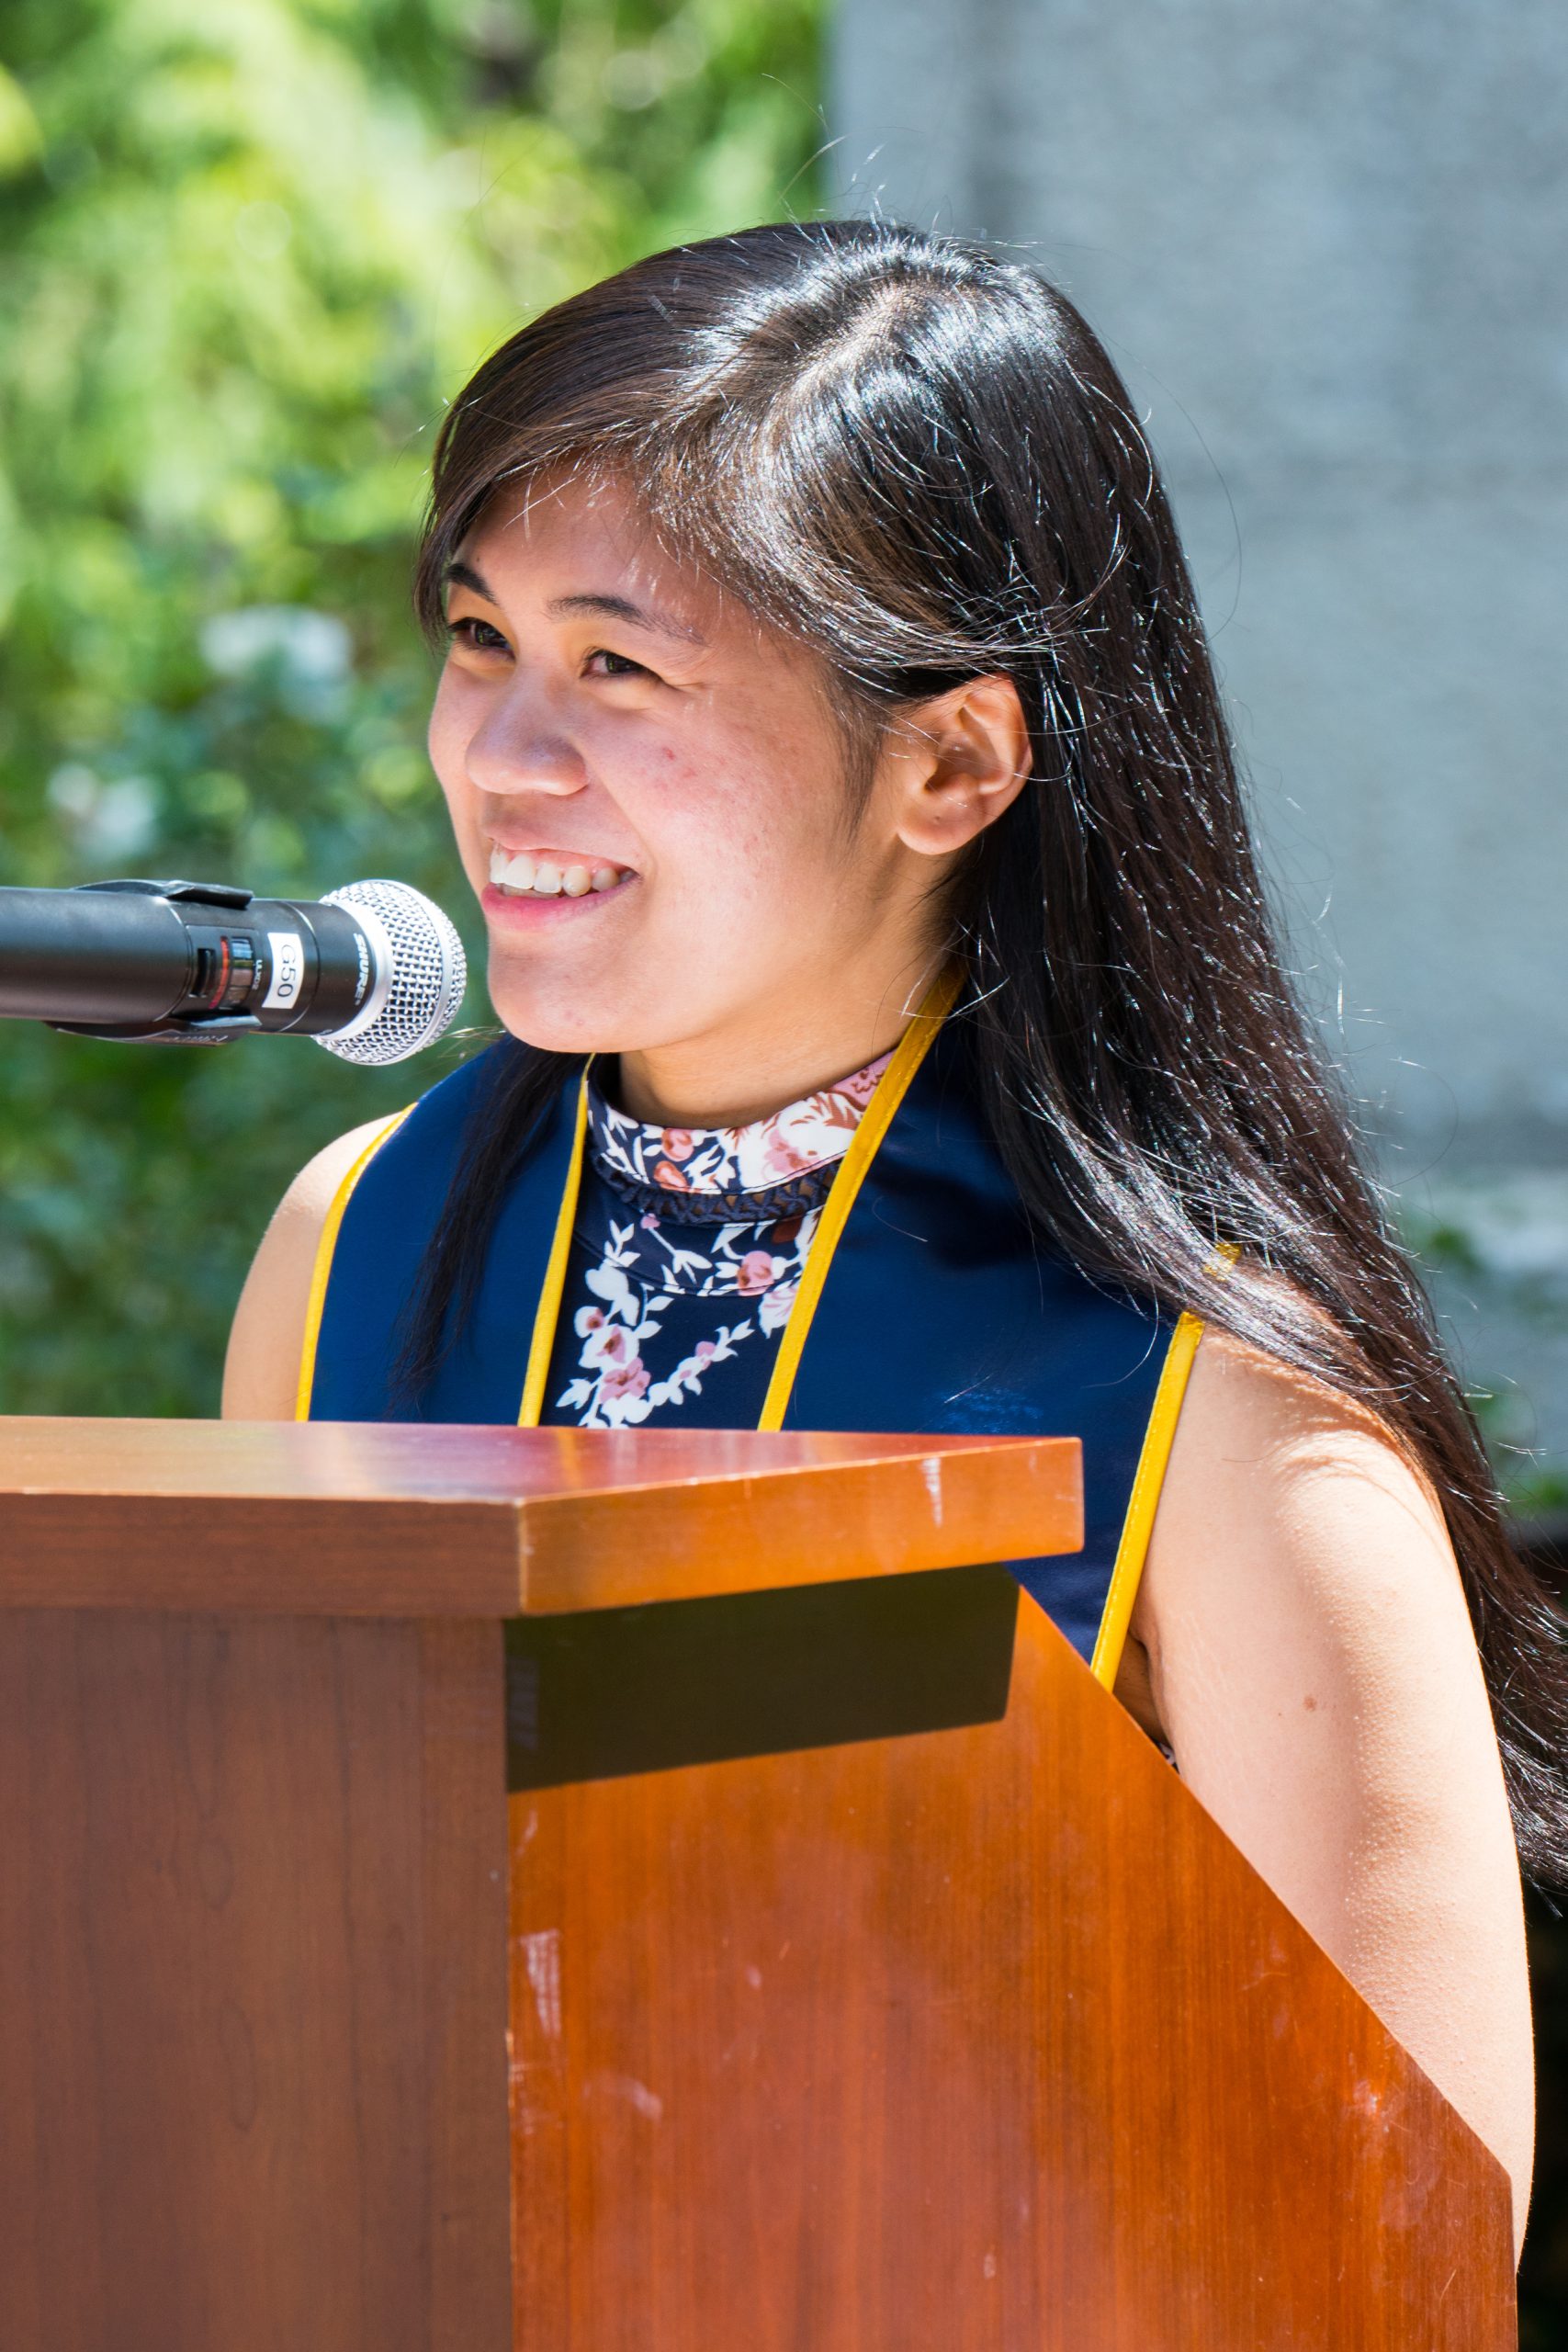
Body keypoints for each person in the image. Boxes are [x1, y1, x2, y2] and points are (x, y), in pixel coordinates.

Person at [223, 220, 1561, 2252]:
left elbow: (1394, 2238)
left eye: (619, 663)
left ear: (950, 757)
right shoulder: (354, 1249)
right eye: (480, 637)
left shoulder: (1208, 1398)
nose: (498, 755)